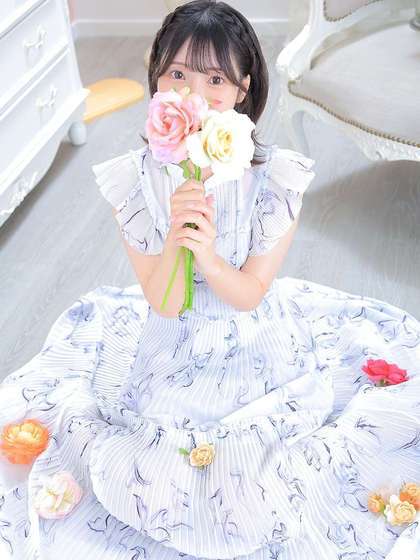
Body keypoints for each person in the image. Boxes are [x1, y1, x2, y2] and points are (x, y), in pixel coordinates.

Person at [1, 1, 419, 559]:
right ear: (156, 80)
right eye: (177, 74)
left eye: (215, 79)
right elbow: (164, 303)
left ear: (243, 89)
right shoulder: (135, 180)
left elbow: (250, 294)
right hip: (171, 345)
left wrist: (210, 257)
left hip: (253, 340)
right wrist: (178, 235)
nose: (193, 94)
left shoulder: (274, 180)